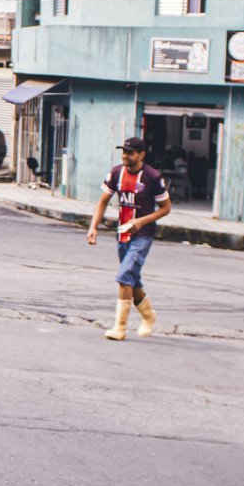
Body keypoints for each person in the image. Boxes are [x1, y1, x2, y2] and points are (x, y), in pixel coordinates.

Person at [86, 136, 171, 340]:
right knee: (132, 280)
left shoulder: (152, 177)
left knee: (124, 277)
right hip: (122, 233)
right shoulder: (116, 173)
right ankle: (149, 316)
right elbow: (103, 201)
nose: (125, 155)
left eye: (130, 152)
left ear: (141, 155)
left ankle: (119, 328)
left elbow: (166, 208)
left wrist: (142, 221)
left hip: (143, 235)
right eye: (123, 151)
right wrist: (93, 227)